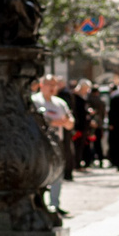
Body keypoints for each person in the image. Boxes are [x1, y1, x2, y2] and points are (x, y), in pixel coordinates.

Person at [34, 76, 73, 214]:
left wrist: (63, 122)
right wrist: (54, 122)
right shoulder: (35, 101)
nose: (52, 87)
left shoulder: (60, 103)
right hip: (39, 144)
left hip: (57, 143)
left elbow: (70, 123)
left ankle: (54, 205)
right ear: (41, 84)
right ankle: (39, 204)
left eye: (54, 85)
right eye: (49, 84)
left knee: (57, 174)